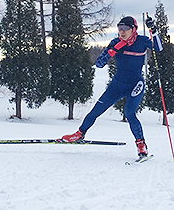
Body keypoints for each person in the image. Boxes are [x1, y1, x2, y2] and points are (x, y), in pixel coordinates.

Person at [60, 16, 162, 157]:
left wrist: (154, 30)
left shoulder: (142, 41)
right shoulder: (115, 42)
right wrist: (112, 51)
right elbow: (99, 64)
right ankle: (79, 134)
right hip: (117, 85)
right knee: (96, 111)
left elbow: (159, 48)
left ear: (134, 29)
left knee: (130, 113)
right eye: (119, 28)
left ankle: (141, 144)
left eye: (126, 28)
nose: (122, 31)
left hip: (135, 85)